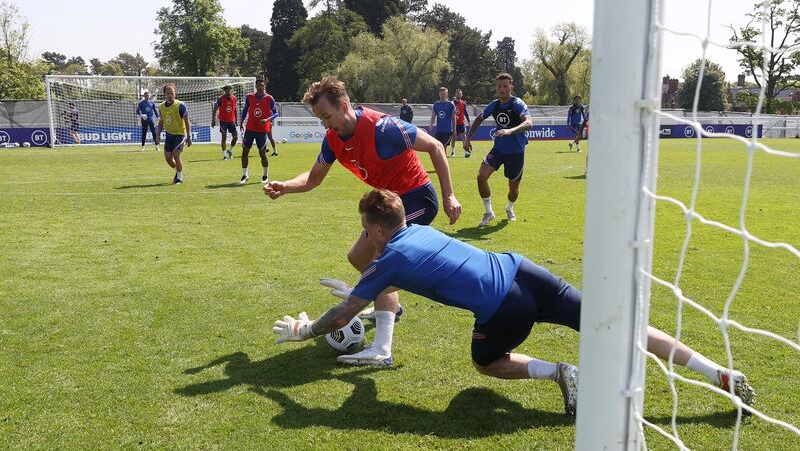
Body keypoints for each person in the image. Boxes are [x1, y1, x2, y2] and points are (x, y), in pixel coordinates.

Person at [272, 189, 756, 415]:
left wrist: (305, 331)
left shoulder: (389, 257)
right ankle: (719, 374)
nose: (365, 237)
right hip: (528, 272)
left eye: (365, 229)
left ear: (377, 229)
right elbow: (399, 275)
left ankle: (557, 371)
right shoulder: (417, 230)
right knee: (625, 327)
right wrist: (365, 289)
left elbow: (342, 315)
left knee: (486, 363)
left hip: (506, 306)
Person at [264, 75, 461, 366]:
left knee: (381, 266)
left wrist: (449, 196)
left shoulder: (383, 127)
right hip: (386, 206)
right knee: (358, 257)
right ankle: (387, 302)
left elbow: (435, 146)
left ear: (343, 105)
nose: (325, 124)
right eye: (320, 119)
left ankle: (382, 349)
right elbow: (314, 178)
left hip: (417, 199)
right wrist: (286, 186)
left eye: (327, 116)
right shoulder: (333, 139)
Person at [463, 73, 532, 227]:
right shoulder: (494, 105)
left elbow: (529, 123)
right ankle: (488, 212)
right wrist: (467, 139)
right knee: (481, 177)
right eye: (499, 86)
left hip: (516, 152)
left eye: (505, 86)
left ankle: (509, 208)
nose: (502, 89)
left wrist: (510, 131)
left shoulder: (518, 104)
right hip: (499, 150)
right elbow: (479, 119)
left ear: (511, 87)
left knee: (513, 190)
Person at [239, 78, 277, 184]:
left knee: (262, 153)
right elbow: (245, 109)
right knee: (245, 152)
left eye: (262, 85)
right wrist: (241, 122)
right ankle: (244, 175)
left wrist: (267, 120)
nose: (260, 87)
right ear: (256, 86)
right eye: (259, 85)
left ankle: (265, 175)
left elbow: (275, 113)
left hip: (262, 131)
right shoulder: (249, 97)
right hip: (250, 129)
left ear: (265, 86)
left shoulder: (269, 98)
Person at [155, 83, 192, 184]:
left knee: (176, 154)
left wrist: (189, 136)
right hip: (169, 135)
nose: (170, 95)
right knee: (168, 158)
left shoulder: (180, 105)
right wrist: (157, 135)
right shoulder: (161, 106)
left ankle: (179, 178)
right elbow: (161, 121)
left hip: (180, 135)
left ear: (175, 94)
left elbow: (187, 121)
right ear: (164, 95)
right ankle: (179, 171)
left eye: (172, 93)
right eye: (168, 93)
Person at [212, 85, 238, 160]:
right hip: (223, 121)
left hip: (231, 121)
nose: (229, 91)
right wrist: (213, 120)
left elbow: (235, 109)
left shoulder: (234, 98)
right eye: (227, 90)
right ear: (225, 91)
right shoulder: (220, 99)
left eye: (230, 90)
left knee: (235, 137)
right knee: (224, 137)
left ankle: (230, 150)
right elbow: (215, 109)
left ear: (232, 90)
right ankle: (224, 155)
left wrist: (236, 120)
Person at [430, 87, 456, 152]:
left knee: (443, 148)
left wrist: (454, 130)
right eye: (441, 94)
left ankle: (443, 161)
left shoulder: (451, 105)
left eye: (444, 94)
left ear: (447, 94)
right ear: (439, 94)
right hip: (438, 130)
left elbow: (453, 118)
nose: (443, 96)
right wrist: (431, 125)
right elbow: (433, 115)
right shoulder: (436, 104)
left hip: (447, 131)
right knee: (437, 148)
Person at [450, 89, 470, 157]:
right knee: (454, 138)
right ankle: (453, 152)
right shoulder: (452, 103)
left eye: (460, 93)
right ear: (455, 94)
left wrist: (469, 121)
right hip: (454, 123)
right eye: (458, 93)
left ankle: (466, 152)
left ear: (462, 95)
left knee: (464, 137)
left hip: (461, 123)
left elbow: (466, 113)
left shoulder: (463, 103)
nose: (459, 95)